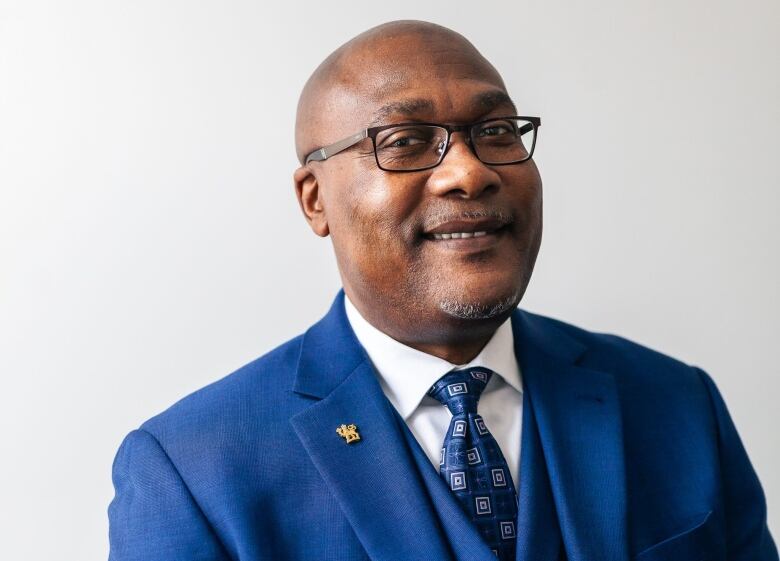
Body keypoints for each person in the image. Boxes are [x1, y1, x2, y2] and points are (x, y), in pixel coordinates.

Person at [107, 20, 778, 561]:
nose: (469, 171)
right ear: (316, 200)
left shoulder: (676, 405)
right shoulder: (194, 470)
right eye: (406, 141)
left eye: (494, 132)